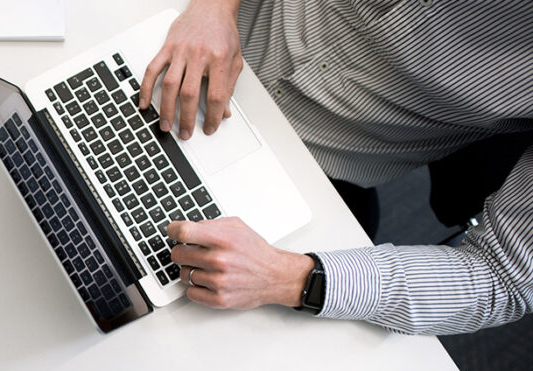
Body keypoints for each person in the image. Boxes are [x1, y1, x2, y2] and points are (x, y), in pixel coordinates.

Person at [139, 0, 533, 335]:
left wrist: (291, 278)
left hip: (310, 169)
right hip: (196, 26)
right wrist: (213, 9)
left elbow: (503, 277)